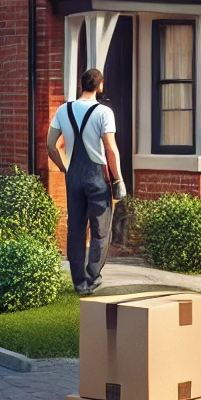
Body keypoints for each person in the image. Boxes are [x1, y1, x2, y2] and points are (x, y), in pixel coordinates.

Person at [47, 68, 126, 294]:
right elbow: (110, 149)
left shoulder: (64, 110)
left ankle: (78, 282)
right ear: (100, 86)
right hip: (97, 177)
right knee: (101, 230)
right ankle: (93, 277)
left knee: (76, 229)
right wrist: (118, 179)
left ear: (82, 85)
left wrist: (64, 167)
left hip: (74, 176)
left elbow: (51, 145)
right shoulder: (104, 112)